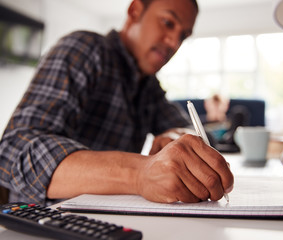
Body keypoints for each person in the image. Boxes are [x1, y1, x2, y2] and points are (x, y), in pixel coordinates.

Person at [0, 0, 233, 206]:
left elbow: (197, 134)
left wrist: (178, 138)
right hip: (41, 221)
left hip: (107, 223)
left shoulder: (148, 87)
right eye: (168, 23)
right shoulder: (84, 49)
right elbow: (13, 149)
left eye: (183, 35)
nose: (174, 42)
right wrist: (140, 174)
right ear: (135, 10)